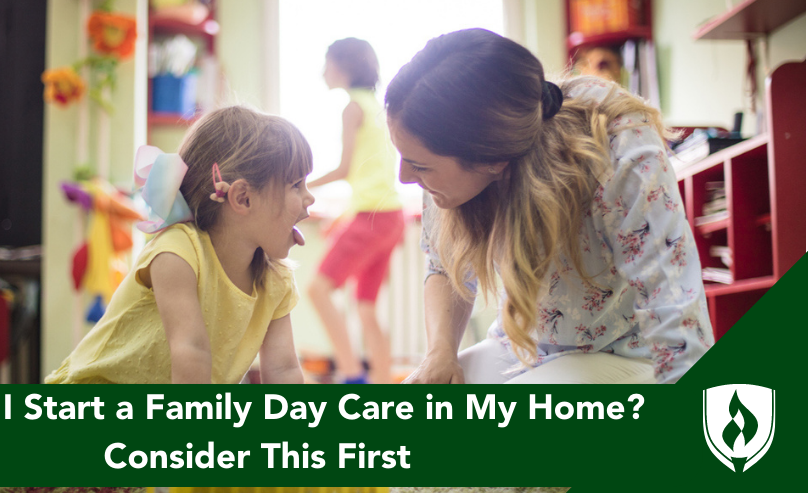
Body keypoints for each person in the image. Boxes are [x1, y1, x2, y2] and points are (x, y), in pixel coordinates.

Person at [385, 29, 713, 384]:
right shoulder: (438, 142)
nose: (403, 176)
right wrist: (440, 354)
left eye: (419, 165)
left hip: (624, 353)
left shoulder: (616, 142)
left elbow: (674, 304)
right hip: (525, 347)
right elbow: (445, 265)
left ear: (493, 160)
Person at [46, 106, 315, 384]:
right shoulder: (178, 252)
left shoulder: (276, 280)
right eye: (296, 185)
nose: (310, 198)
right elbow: (191, 351)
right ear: (243, 198)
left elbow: (283, 369)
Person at [306, 38, 404, 384]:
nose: (323, 71)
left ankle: (352, 377)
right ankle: (382, 384)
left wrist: (297, 186)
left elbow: (345, 168)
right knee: (365, 309)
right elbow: (369, 175)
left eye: (327, 63)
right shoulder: (375, 105)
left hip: (372, 219)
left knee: (317, 290)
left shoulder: (352, 108)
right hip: (391, 217)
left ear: (343, 67)